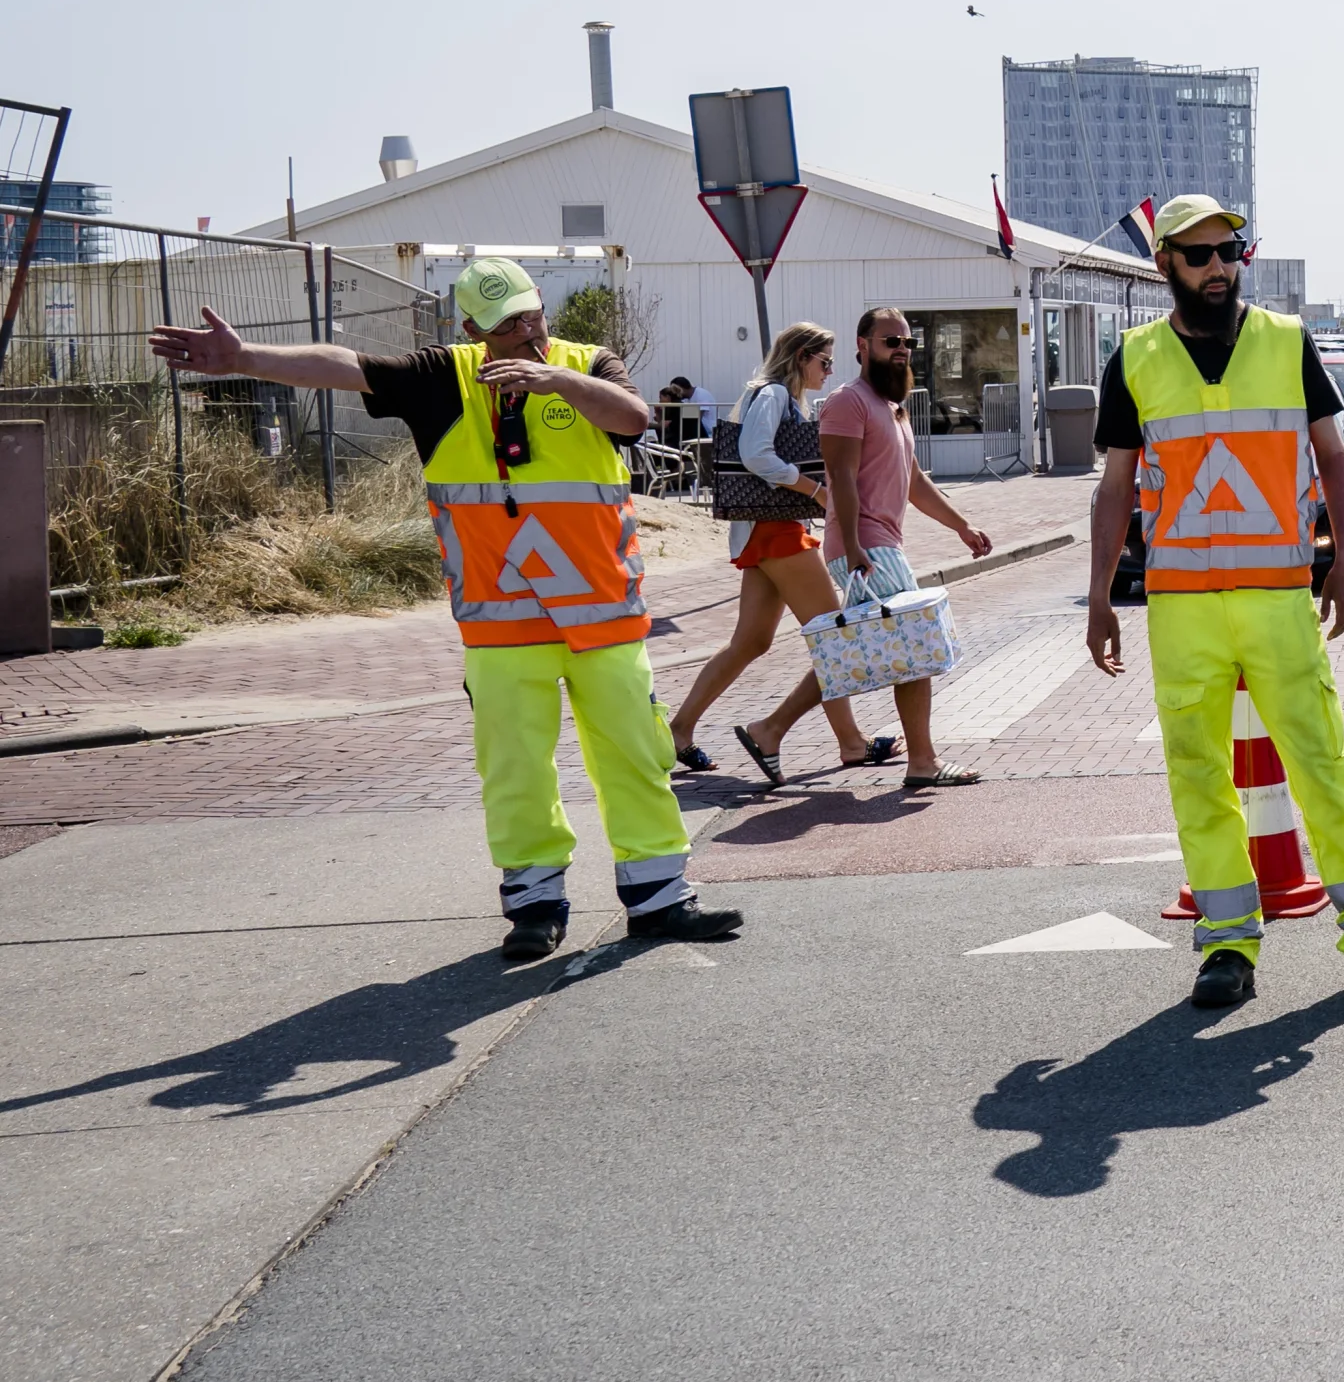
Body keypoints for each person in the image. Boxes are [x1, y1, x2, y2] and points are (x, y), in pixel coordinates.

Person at [146, 259, 745, 962]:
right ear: (471, 329)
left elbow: (633, 417)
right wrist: (248, 358)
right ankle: (534, 905)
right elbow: (346, 365)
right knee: (515, 768)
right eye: (507, 324)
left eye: (531, 314)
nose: (527, 332)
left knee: (637, 757)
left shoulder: (589, 364)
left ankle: (660, 900)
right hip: (502, 626)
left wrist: (554, 380)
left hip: (604, 618)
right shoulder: (444, 376)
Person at [1083, 196, 1344, 1013]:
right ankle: (1227, 946)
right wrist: (1097, 597)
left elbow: (1332, 458)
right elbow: (1115, 486)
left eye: (1229, 252)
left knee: (1320, 765)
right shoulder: (1133, 359)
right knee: (1198, 775)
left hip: (1276, 597)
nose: (1218, 268)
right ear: (1164, 266)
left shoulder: (1287, 344)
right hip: (1181, 607)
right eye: (1198, 256)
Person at [665, 322, 895, 784]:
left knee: (751, 642)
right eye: (824, 362)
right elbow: (756, 455)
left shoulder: (776, 396)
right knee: (837, 637)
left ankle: (678, 730)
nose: (829, 371)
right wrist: (816, 491)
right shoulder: (772, 395)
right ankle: (846, 742)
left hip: (767, 530)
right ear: (800, 357)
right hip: (776, 530)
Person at [819, 307, 994, 790]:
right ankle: (922, 762)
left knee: (858, 646)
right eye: (889, 341)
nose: (900, 349)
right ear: (862, 345)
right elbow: (841, 479)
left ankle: (768, 731)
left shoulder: (893, 408)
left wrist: (962, 526)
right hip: (867, 545)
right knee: (913, 648)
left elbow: (914, 482)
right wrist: (854, 546)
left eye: (907, 343)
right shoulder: (847, 402)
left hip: (880, 543)